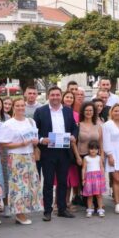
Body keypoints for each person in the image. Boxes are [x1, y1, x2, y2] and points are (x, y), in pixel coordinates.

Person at [34, 86, 79, 221]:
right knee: (48, 182)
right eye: (52, 95)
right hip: (48, 152)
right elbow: (35, 130)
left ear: (61, 96)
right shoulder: (40, 111)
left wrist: (73, 136)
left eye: (57, 95)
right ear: (48, 96)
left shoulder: (67, 111)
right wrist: (42, 140)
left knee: (62, 182)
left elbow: (74, 128)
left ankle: (62, 209)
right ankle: (47, 211)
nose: (55, 97)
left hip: (64, 152)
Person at [0, 98, 42, 225]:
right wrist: (22, 143)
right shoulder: (8, 124)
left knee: (29, 185)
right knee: (18, 186)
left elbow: (35, 138)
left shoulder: (31, 121)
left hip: (29, 156)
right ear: (13, 107)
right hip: (16, 157)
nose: (21, 108)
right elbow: (4, 143)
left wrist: (35, 142)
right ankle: (19, 214)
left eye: (22, 105)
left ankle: (24, 210)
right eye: (18, 105)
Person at [74, 101, 103, 210]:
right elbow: (74, 142)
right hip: (82, 156)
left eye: (91, 110)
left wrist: (102, 155)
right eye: (86, 110)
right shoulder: (78, 125)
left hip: (95, 157)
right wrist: (77, 156)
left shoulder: (98, 126)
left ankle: (97, 203)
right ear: (83, 112)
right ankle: (88, 204)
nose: (88, 112)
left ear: (94, 112)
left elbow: (101, 142)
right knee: (85, 182)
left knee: (96, 180)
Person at [81, 140, 106, 217]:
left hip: (98, 179)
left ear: (98, 150)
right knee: (90, 195)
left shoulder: (99, 158)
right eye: (91, 149)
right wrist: (83, 179)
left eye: (95, 149)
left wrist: (103, 178)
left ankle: (100, 209)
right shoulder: (86, 158)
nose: (93, 151)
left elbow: (102, 168)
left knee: (99, 195)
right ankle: (89, 209)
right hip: (89, 179)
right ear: (88, 149)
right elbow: (83, 169)